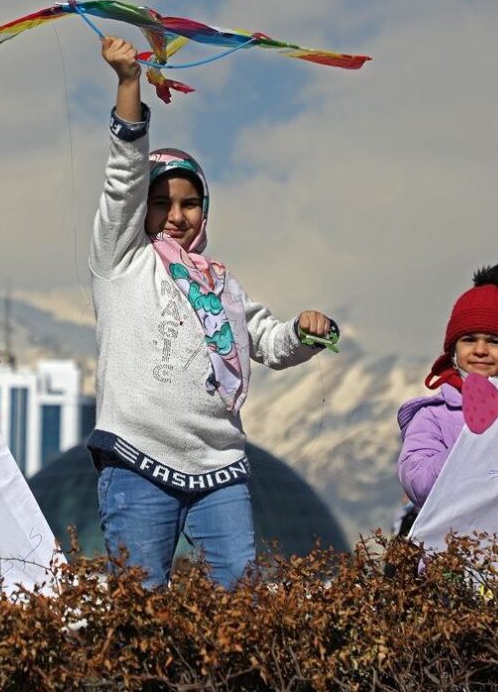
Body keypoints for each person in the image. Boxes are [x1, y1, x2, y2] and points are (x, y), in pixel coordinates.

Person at [87, 35, 338, 589]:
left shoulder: (221, 285)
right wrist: (129, 83)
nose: (175, 216)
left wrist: (304, 332)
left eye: (189, 202)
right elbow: (123, 176)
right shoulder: (121, 261)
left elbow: (267, 342)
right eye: (161, 202)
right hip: (136, 458)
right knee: (140, 606)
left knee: (239, 603)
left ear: (206, 210)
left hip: (219, 465)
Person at [396, 263, 498, 511]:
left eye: (495, 341)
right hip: (455, 546)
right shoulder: (433, 415)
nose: (480, 350)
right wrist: (475, 440)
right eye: (468, 340)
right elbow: (419, 484)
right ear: (453, 350)